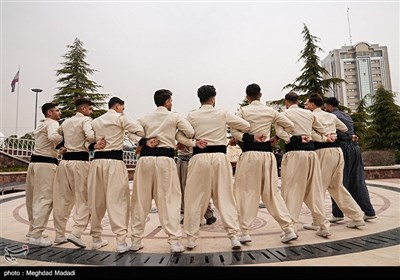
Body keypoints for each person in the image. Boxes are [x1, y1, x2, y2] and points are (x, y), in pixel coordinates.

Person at [177, 85, 250, 250]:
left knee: (194, 198)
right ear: (213, 98)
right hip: (219, 157)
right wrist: (230, 130)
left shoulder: (192, 115)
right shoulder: (222, 113)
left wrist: (192, 142)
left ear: (199, 99)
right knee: (225, 196)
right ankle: (233, 237)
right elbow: (245, 125)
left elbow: (179, 135)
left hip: (198, 157)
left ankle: (191, 238)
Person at [129, 89, 195, 253]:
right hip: (165, 160)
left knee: (140, 200)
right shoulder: (174, 116)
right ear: (167, 102)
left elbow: (130, 131)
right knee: (169, 200)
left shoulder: (144, 117)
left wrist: (143, 141)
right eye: (171, 101)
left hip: (145, 160)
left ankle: (136, 241)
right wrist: (176, 135)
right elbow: (191, 132)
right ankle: (173, 241)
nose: (172, 103)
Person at [231, 83, 297, 244]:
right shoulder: (270, 111)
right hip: (267, 155)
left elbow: (234, 131)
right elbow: (290, 125)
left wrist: (249, 137)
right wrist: (277, 137)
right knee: (272, 192)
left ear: (247, 97)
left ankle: (245, 232)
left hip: (249, 155)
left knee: (246, 192)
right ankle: (288, 229)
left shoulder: (243, 111)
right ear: (260, 95)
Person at [88, 97, 145, 253]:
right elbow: (139, 130)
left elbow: (91, 140)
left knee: (96, 201)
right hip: (114, 162)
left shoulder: (96, 121)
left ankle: (96, 238)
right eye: (123, 107)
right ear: (118, 106)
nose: (123, 110)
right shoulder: (120, 118)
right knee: (118, 200)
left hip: (97, 163)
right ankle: (120, 242)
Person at [303, 94, 365, 231]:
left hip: (322, 152)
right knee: (337, 187)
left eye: (307, 104)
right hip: (337, 151)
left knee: (317, 188)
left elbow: (309, 134)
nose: (305, 106)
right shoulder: (331, 116)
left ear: (313, 105)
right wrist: (332, 133)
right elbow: (344, 128)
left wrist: (323, 136)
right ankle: (357, 217)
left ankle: (317, 222)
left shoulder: (311, 117)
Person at [275, 92, 331, 238]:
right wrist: (309, 135)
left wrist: (294, 138)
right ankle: (323, 226)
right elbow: (323, 129)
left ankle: (291, 228)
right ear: (298, 101)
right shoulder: (309, 114)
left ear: (286, 102)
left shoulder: (284, 114)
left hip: (294, 154)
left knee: (291, 191)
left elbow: (279, 132)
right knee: (314, 190)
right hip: (312, 154)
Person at [52, 98, 105, 248]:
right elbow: (91, 136)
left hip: (64, 163)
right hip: (80, 163)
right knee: (85, 199)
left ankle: (59, 235)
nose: (91, 112)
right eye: (90, 109)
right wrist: (94, 143)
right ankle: (76, 232)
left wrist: (64, 146)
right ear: (83, 109)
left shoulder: (66, 122)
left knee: (62, 198)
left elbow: (57, 138)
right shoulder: (86, 121)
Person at [324, 97, 377, 221]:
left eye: (326, 107)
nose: (325, 109)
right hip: (355, 149)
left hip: (343, 149)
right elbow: (350, 132)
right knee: (357, 181)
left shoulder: (332, 117)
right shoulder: (346, 116)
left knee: (338, 182)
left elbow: (342, 134)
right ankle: (369, 211)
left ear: (330, 107)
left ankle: (337, 214)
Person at [26, 102, 63, 247]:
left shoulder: (42, 124)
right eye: (57, 111)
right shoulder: (52, 123)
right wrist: (66, 139)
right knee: (45, 199)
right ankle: (36, 235)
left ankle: (32, 230)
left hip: (34, 164)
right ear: (50, 113)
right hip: (46, 165)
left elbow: (48, 142)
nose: (59, 113)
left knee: (32, 198)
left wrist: (59, 148)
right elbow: (54, 137)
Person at [176, 143, 216, 225]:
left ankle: (192, 216)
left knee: (187, 189)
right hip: (197, 158)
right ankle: (208, 215)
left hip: (190, 159)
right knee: (201, 188)